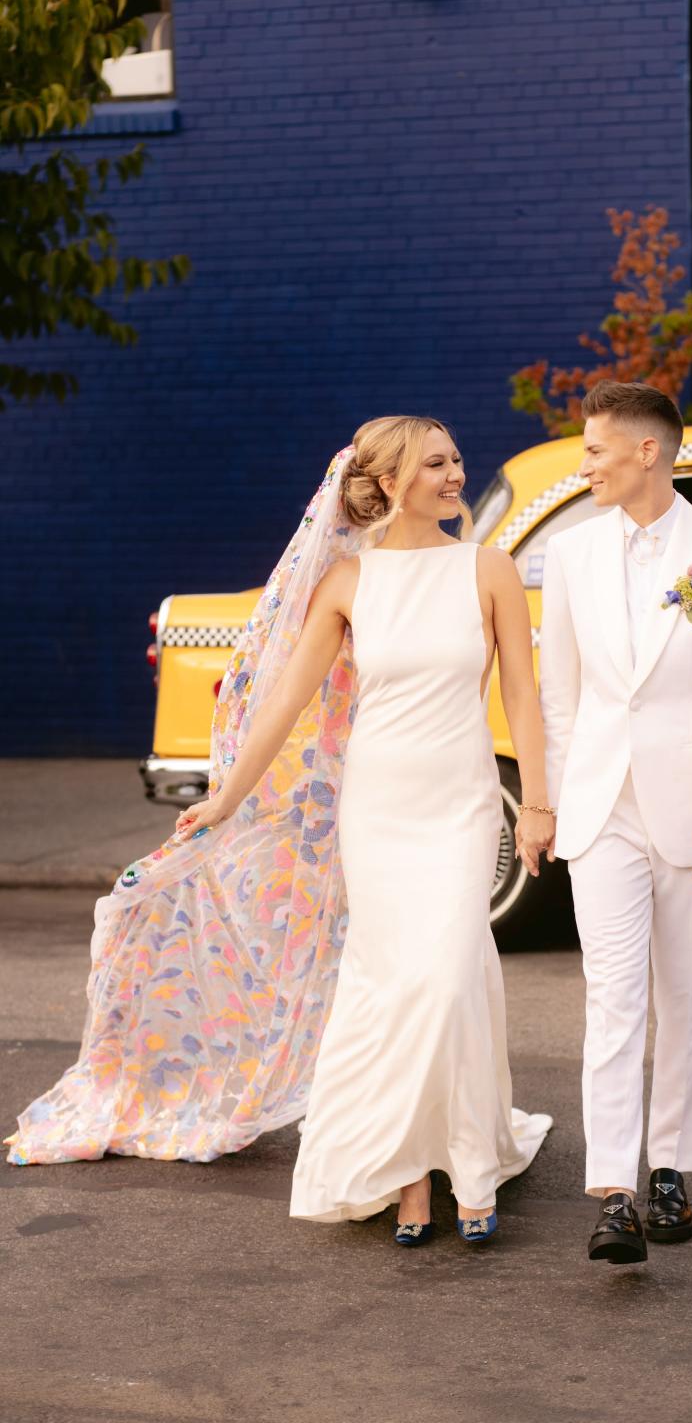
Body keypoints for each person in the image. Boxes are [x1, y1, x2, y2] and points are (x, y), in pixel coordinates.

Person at [8, 416, 553, 1246]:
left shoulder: (489, 571)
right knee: (390, 983)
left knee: (445, 977)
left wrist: (541, 802)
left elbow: (522, 692)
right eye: (437, 464)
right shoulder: (346, 581)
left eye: (455, 461)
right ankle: (409, 1174)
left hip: (461, 805)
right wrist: (224, 797)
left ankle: (473, 1157)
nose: (455, 475)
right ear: (394, 480)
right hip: (375, 810)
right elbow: (286, 702)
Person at [538, 380, 692, 1265]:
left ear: (646, 451)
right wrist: (553, 800)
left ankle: (670, 1168)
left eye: (595, 449)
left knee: (685, 998)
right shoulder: (570, 556)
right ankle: (615, 1191)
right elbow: (560, 693)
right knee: (614, 999)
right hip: (603, 810)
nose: (584, 464)